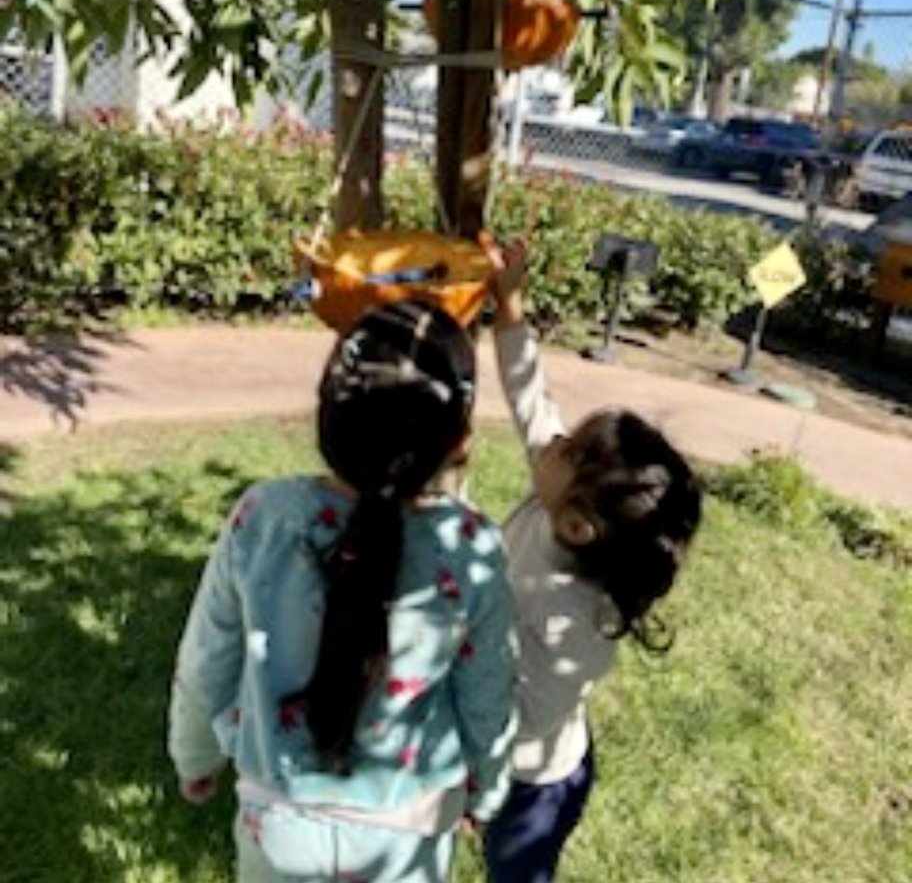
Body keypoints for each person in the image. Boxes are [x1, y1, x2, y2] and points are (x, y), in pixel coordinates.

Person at [168, 300, 517, 883]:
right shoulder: (472, 546)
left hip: (277, 829)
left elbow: (206, 657)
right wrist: (487, 792)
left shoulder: (263, 516)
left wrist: (194, 755)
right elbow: (489, 693)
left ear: (324, 415)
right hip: (408, 839)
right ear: (459, 438)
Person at [481, 239, 703, 883]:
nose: (554, 439)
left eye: (571, 447)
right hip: (530, 762)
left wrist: (475, 774)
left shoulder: (562, 613)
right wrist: (509, 300)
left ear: (578, 525)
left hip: (533, 786)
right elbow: (532, 403)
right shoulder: (571, 511)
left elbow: (518, 713)